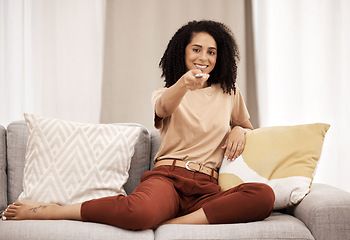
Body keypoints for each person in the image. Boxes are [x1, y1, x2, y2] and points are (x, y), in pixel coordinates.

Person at [2, 20, 274, 230]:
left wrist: (238, 128)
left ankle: (173, 224)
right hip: (168, 178)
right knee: (139, 212)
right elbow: (164, 108)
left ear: (219, 57)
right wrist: (184, 83)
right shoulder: (166, 92)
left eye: (211, 52)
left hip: (207, 188)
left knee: (262, 196)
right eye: (197, 49)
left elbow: (248, 128)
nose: (204, 57)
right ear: (183, 53)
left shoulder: (229, 92)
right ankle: (54, 210)